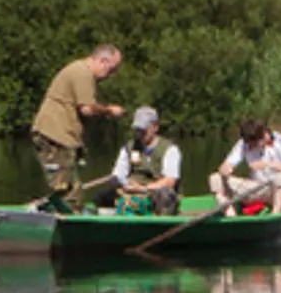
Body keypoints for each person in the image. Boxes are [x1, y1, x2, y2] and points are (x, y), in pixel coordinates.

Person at [29, 43, 124, 208]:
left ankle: (61, 211)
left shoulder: (80, 71)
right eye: (111, 70)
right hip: (55, 135)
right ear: (102, 61)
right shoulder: (82, 74)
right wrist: (110, 110)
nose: (110, 75)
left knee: (68, 186)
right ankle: (68, 222)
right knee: (69, 191)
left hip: (61, 136)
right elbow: (87, 109)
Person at [85, 106, 182, 217]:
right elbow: (118, 174)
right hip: (131, 191)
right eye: (137, 130)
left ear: (155, 127)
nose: (140, 134)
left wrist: (144, 189)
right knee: (102, 196)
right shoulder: (128, 148)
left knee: (165, 195)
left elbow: (170, 181)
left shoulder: (170, 149)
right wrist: (122, 183)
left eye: (143, 130)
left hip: (155, 192)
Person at [209, 117, 281, 216]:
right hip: (254, 188)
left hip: (275, 190)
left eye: (252, 144)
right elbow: (225, 165)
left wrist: (266, 164)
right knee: (215, 178)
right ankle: (231, 216)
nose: (249, 147)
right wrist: (226, 170)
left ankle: (275, 214)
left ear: (262, 136)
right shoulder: (243, 143)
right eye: (247, 143)